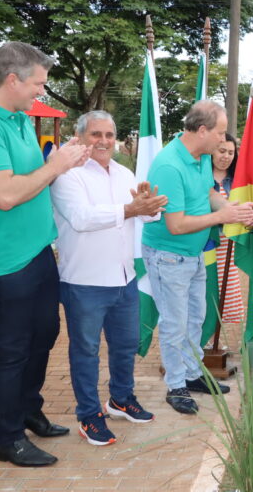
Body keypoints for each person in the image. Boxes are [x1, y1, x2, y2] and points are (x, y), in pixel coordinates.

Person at [0, 42, 91, 466]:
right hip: (7, 259)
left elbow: (31, 177)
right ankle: (7, 438)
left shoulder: (22, 119)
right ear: (12, 79)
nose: (40, 93)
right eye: (37, 85)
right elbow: (5, 195)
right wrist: (56, 166)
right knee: (12, 348)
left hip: (38, 251)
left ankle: (28, 410)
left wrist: (64, 166)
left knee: (45, 335)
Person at [51, 110, 167, 446]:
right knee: (85, 352)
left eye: (109, 135)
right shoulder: (67, 175)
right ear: (81, 137)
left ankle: (121, 399)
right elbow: (82, 218)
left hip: (124, 277)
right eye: (95, 134)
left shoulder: (124, 172)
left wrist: (150, 206)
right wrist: (132, 209)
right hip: (84, 281)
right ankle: (89, 416)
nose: (103, 141)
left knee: (125, 346)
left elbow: (142, 216)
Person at [142, 100, 253, 415]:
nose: (223, 141)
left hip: (195, 254)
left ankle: (193, 374)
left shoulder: (200, 158)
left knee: (195, 318)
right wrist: (223, 218)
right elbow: (177, 223)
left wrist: (232, 210)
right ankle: (176, 385)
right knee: (174, 323)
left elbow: (207, 194)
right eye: (220, 133)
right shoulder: (170, 165)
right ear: (202, 130)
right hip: (169, 256)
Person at [211, 133, 244, 323]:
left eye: (231, 152)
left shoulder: (237, 179)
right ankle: (204, 340)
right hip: (207, 244)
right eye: (222, 151)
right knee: (207, 291)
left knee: (227, 292)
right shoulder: (202, 177)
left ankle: (216, 341)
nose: (226, 156)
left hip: (228, 246)